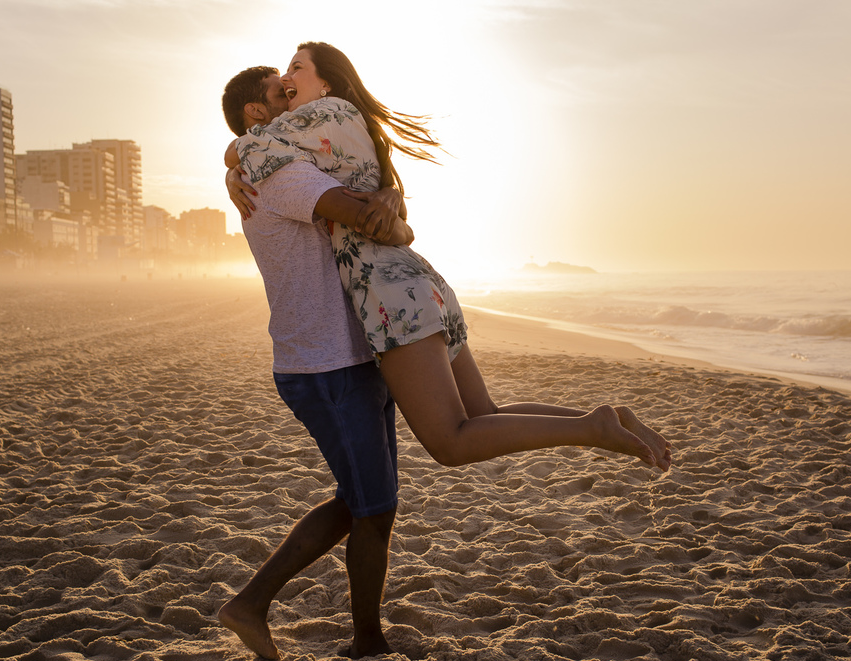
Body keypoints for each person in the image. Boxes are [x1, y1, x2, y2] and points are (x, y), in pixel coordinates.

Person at [230, 42, 673, 473]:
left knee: (451, 440)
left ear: (327, 82)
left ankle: (591, 426)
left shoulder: (315, 117)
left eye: (296, 68)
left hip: (386, 291)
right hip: (421, 282)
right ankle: (602, 418)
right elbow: (397, 223)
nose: (287, 79)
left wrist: (233, 167)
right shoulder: (346, 124)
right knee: (483, 410)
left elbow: (244, 147)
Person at [216, 65, 416, 661]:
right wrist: (386, 201)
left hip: (353, 355)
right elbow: (381, 225)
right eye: (283, 95)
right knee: (372, 508)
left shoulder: (283, 165)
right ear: (258, 114)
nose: (299, 102)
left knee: (367, 502)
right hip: (326, 365)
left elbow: (378, 211)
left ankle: (268, 608)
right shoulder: (278, 173)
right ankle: (357, 638)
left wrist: (388, 194)